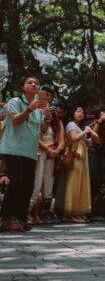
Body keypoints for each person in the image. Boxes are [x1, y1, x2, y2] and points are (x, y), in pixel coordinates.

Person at [0, 75, 50, 232]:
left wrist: (47, 117)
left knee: (28, 185)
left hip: (30, 151)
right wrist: (30, 108)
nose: (34, 84)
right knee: (16, 180)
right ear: (23, 87)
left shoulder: (40, 107)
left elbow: (42, 130)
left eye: (37, 83)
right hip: (13, 149)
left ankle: (20, 219)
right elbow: (15, 121)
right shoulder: (15, 102)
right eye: (30, 82)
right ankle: (5, 218)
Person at [29, 85, 64, 225]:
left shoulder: (55, 116)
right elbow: (35, 134)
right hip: (39, 150)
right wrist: (47, 149)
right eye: (46, 95)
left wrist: (57, 150)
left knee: (49, 183)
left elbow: (61, 137)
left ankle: (44, 213)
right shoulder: (35, 111)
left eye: (50, 95)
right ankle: (29, 212)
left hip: (52, 152)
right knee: (37, 182)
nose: (48, 98)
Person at [59, 107, 94, 223]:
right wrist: (85, 132)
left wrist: (87, 141)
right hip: (74, 157)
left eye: (83, 112)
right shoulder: (71, 124)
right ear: (72, 113)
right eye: (78, 111)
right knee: (73, 183)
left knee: (80, 184)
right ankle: (68, 213)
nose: (81, 113)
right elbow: (73, 138)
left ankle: (76, 212)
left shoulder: (78, 127)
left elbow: (81, 141)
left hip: (82, 157)